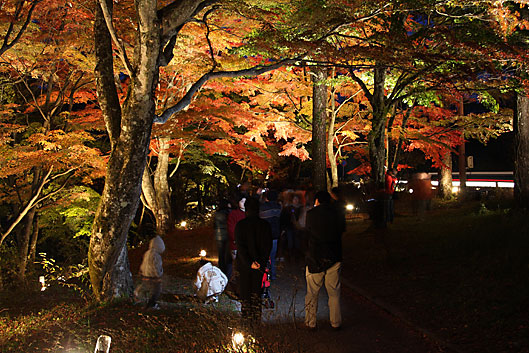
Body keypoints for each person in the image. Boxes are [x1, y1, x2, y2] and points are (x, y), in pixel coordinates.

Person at [304, 191, 344, 331]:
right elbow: (342, 229)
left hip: (316, 256)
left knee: (312, 292)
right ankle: (335, 322)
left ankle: (311, 322)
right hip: (334, 255)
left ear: (317, 201)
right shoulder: (337, 213)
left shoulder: (311, 214)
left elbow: (307, 231)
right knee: (334, 292)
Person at [235, 197, 273, 326]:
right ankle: (256, 320)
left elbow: (240, 247)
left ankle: (246, 320)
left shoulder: (240, 225)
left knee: (245, 293)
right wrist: (260, 262)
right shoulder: (265, 225)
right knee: (257, 293)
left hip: (244, 265)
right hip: (259, 266)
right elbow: (267, 246)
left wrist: (248, 262)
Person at [134, 234, 165, 309]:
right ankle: (151, 305)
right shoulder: (156, 255)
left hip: (145, 275)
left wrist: (141, 271)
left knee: (146, 289)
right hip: (153, 277)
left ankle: (143, 302)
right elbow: (155, 266)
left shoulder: (147, 253)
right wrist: (158, 275)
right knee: (155, 292)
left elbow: (143, 264)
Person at [259, 189, 282, 280]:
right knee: (272, 257)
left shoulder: (263, 207)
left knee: (263, 255)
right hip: (275, 235)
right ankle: (273, 275)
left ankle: (263, 275)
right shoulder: (278, 207)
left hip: (264, 235)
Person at [226, 196, 246, 279]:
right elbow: (231, 229)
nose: (244, 203)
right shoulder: (233, 214)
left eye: (245, 201)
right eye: (242, 201)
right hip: (236, 243)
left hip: (248, 244)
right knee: (236, 264)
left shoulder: (251, 214)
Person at [214, 199, 231, 276]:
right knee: (227, 253)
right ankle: (227, 271)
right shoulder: (228, 213)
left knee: (221, 254)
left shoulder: (217, 214)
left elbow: (214, 225)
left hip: (219, 235)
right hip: (227, 234)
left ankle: (221, 270)